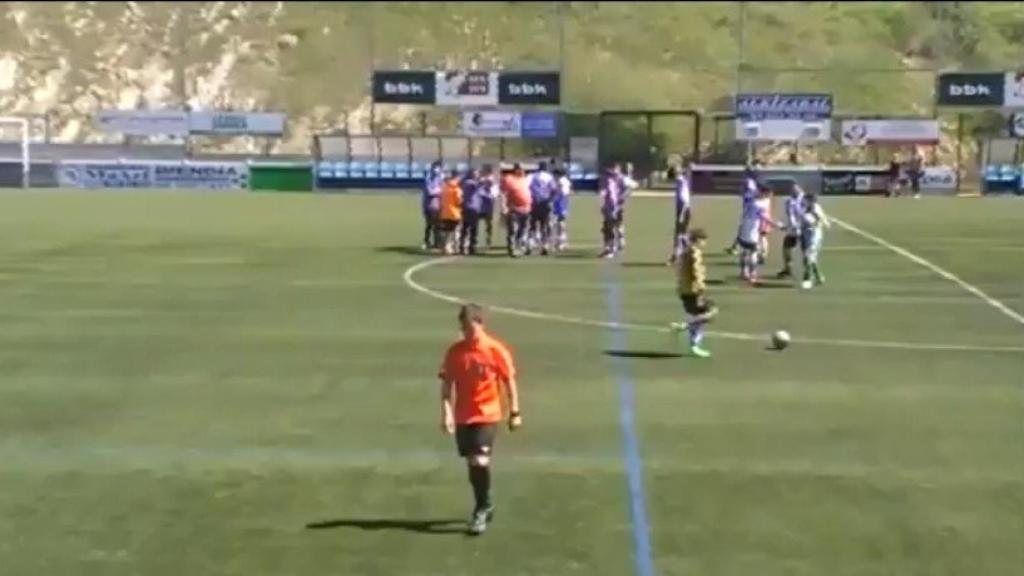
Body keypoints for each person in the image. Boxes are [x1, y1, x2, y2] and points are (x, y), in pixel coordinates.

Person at [438, 303, 522, 536]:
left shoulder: (495, 350)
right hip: (464, 415)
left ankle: (480, 510)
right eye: (464, 329)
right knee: (472, 464)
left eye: (471, 329)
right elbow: (446, 385)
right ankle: (485, 501)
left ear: (481, 325)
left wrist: (515, 411)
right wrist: (446, 413)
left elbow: (509, 380)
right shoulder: (455, 352)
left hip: (488, 413)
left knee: (479, 460)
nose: (467, 333)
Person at [670, 228, 718, 358]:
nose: (705, 243)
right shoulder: (694, 253)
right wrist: (700, 285)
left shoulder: (685, 252)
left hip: (684, 290)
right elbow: (695, 270)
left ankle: (692, 339)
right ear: (698, 240)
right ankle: (685, 327)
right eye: (704, 240)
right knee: (711, 311)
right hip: (693, 290)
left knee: (699, 315)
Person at [737, 185, 784, 284]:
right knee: (753, 252)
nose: (768, 197)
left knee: (744, 251)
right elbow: (765, 218)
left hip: (743, 228)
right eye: (767, 195)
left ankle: (743, 272)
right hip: (751, 231)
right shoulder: (759, 205)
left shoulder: (750, 200)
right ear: (764, 193)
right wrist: (778, 225)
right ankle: (752, 275)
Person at [726, 163, 761, 255]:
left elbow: (749, 194)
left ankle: (738, 247)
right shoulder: (752, 182)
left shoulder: (749, 182)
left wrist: (742, 192)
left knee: (744, 228)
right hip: (748, 207)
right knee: (744, 228)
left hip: (749, 208)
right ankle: (735, 246)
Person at [800, 193, 830, 289]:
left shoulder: (815, 209)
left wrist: (819, 220)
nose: (803, 201)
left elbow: (819, 220)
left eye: (805, 200)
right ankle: (819, 277)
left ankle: (807, 278)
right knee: (810, 258)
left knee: (809, 256)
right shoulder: (805, 209)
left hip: (814, 236)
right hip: (806, 235)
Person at [527, 161, 557, 256]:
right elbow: (554, 189)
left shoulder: (531, 176)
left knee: (532, 225)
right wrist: (551, 200)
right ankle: (545, 245)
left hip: (534, 203)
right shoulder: (549, 177)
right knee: (545, 225)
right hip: (545, 203)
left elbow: (525, 187)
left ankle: (530, 245)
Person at [502, 164, 532, 258]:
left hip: (526, 209)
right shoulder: (509, 179)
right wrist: (504, 207)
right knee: (513, 229)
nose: (522, 171)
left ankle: (520, 246)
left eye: (523, 169)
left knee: (523, 229)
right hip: (513, 208)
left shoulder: (525, 180)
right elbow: (504, 193)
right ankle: (512, 248)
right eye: (520, 169)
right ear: (515, 170)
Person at [777, 184, 806, 278]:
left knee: (787, 248)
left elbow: (791, 215)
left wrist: (791, 226)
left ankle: (788, 268)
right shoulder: (804, 199)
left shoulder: (790, 202)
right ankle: (806, 270)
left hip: (795, 230)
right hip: (805, 229)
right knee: (803, 250)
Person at [667, 162, 691, 265]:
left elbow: (685, 201)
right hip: (683, 211)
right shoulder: (681, 182)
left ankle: (677, 256)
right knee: (681, 234)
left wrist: (681, 215)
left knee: (679, 235)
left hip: (683, 211)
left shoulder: (681, 183)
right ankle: (685, 254)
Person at [598, 164, 624, 259]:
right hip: (611, 207)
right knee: (608, 228)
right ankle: (610, 248)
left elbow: (611, 197)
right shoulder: (613, 181)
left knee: (610, 228)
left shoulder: (611, 182)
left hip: (612, 208)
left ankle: (610, 249)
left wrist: (612, 208)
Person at [439, 170, 463, 255]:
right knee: (456, 231)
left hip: (445, 213)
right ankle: (456, 248)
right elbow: (459, 202)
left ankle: (446, 247)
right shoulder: (457, 189)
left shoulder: (444, 187)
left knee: (447, 231)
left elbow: (441, 200)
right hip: (455, 213)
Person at [460, 168, 482, 255]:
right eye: (475, 173)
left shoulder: (469, 182)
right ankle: (465, 246)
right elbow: (476, 186)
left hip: (474, 208)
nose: (477, 175)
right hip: (469, 208)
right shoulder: (468, 182)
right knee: (467, 228)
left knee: (472, 229)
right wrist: (482, 180)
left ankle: (471, 246)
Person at [422, 162, 444, 251]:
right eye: (435, 168)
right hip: (430, 205)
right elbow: (430, 192)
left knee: (438, 225)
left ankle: (437, 243)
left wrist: (439, 190)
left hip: (439, 205)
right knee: (430, 225)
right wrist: (439, 190)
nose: (437, 170)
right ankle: (427, 241)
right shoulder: (428, 179)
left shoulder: (441, 178)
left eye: (439, 168)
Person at [478, 164, 499, 248]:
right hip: (479, 206)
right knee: (476, 223)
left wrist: (488, 193)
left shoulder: (492, 181)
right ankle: (476, 240)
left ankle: (488, 239)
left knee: (488, 223)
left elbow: (494, 194)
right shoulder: (481, 180)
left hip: (488, 206)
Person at [553, 167, 573, 252]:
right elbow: (569, 192)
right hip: (564, 202)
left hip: (561, 202)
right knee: (561, 222)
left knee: (560, 222)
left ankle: (561, 242)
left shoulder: (560, 181)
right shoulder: (566, 181)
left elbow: (562, 192)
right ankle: (561, 241)